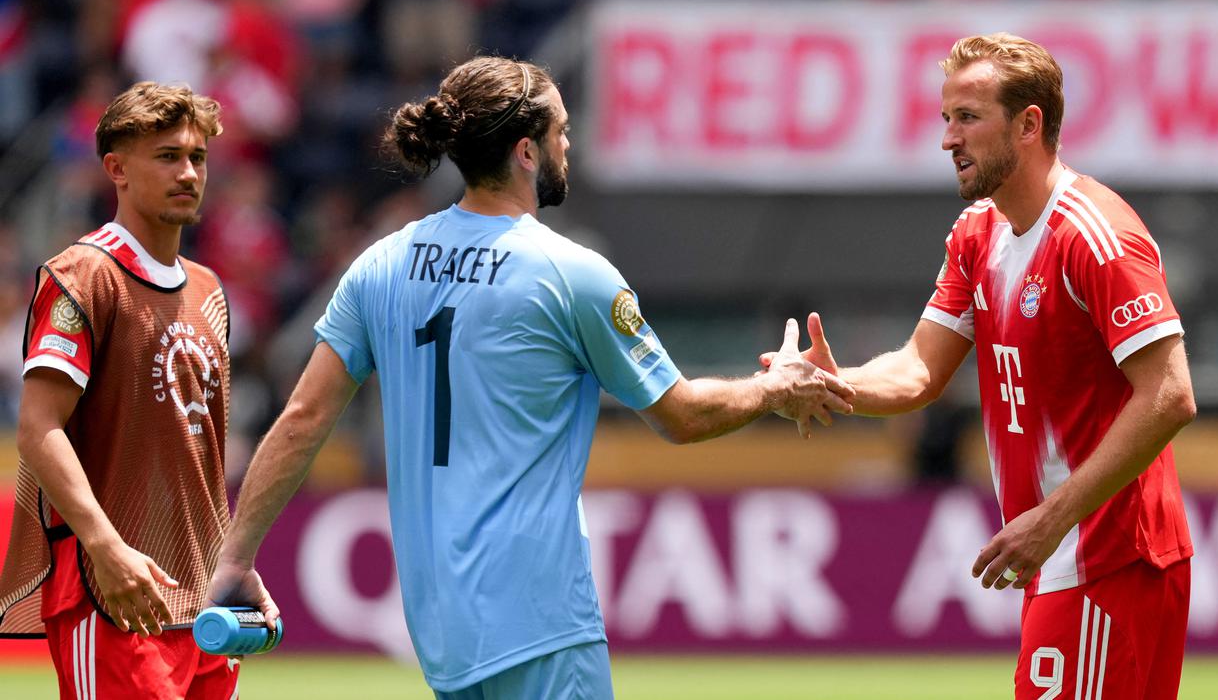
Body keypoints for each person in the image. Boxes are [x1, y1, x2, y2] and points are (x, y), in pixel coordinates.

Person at [206, 56, 854, 699]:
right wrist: (774, 388)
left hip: (440, 633)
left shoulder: (380, 264)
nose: (567, 144)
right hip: (540, 620)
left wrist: (235, 558)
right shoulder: (569, 273)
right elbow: (680, 414)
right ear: (525, 151)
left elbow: (303, 420)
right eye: (560, 132)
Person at [774, 33, 1196, 699]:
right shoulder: (976, 233)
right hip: (1061, 557)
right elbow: (919, 369)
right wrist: (834, 383)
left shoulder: (1095, 236)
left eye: (967, 118)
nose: (947, 139)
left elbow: (1169, 395)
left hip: (1108, 558)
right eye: (945, 118)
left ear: (1029, 124)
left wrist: (1051, 518)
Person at [0, 82, 236, 698]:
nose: (188, 172)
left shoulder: (210, 291)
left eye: (198, 157)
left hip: (202, 604)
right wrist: (106, 547)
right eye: (167, 156)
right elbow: (38, 426)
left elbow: (200, 456)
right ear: (116, 169)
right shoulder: (84, 275)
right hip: (112, 594)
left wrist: (236, 561)